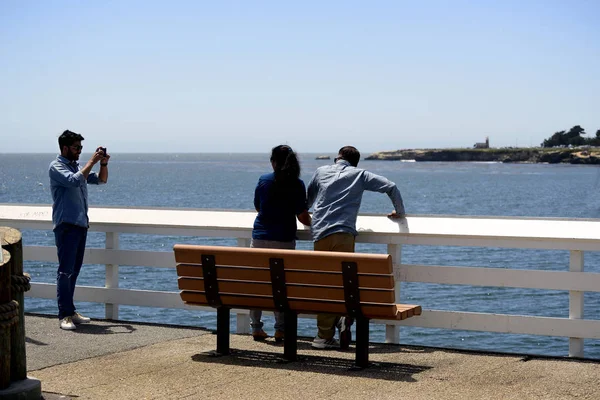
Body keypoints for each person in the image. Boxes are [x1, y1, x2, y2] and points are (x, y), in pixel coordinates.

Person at [306, 145, 405, 349]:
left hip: (320, 233)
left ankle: (324, 335)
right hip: (344, 234)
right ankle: (343, 316)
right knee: (344, 283)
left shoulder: (320, 172)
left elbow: (306, 203)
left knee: (325, 285)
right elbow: (391, 186)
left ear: (337, 158)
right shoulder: (359, 175)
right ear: (355, 162)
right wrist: (399, 212)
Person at [49, 130, 110, 330]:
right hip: (66, 225)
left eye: (81, 148)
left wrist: (103, 164)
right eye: (76, 148)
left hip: (81, 225)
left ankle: (70, 310)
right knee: (65, 272)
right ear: (65, 147)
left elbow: (101, 180)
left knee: (74, 271)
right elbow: (74, 180)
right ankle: (63, 315)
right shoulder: (57, 167)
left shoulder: (76, 167)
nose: (79, 151)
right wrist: (91, 162)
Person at [250, 145, 311, 342]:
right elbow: (302, 216)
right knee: (280, 285)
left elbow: (258, 206)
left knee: (257, 283)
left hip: (259, 237)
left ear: (273, 162)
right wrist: (318, 223)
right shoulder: (297, 183)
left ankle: (256, 328)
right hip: (283, 239)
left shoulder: (263, 180)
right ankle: (281, 329)